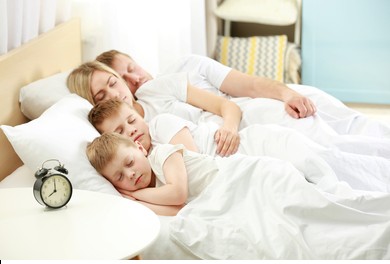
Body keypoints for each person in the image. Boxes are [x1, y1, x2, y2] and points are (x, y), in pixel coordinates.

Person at [86, 132, 390, 259]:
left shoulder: (162, 155)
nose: (131, 175)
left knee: (309, 210)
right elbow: (177, 212)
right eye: (120, 178)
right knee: (280, 238)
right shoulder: (147, 191)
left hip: (249, 178)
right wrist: (138, 203)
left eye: (129, 163)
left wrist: (137, 198)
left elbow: (178, 194)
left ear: (139, 149)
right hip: (225, 198)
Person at [68, 60, 390, 159]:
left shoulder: (166, 82)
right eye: (103, 93)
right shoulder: (129, 132)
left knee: (338, 138)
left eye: (116, 79)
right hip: (235, 142)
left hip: (247, 117)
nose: (123, 86)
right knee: (326, 154)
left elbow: (234, 97)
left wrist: (286, 92)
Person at [88, 99, 390, 192]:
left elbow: (195, 160)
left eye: (130, 120)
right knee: (317, 175)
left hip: (259, 143)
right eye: (121, 131)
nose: (132, 130)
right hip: (250, 157)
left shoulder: (161, 125)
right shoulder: (145, 158)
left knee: (327, 164)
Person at [96, 50, 390, 139]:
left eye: (131, 68)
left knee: (358, 127)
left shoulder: (186, 66)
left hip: (269, 100)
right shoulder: (145, 118)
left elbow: (248, 85)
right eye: (124, 79)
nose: (134, 79)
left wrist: (287, 94)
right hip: (250, 126)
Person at [67, 60, 241, 156]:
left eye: (113, 83)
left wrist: (229, 129)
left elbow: (227, 105)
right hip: (216, 159)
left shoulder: (156, 89)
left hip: (233, 134)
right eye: (101, 96)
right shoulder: (127, 139)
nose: (114, 95)